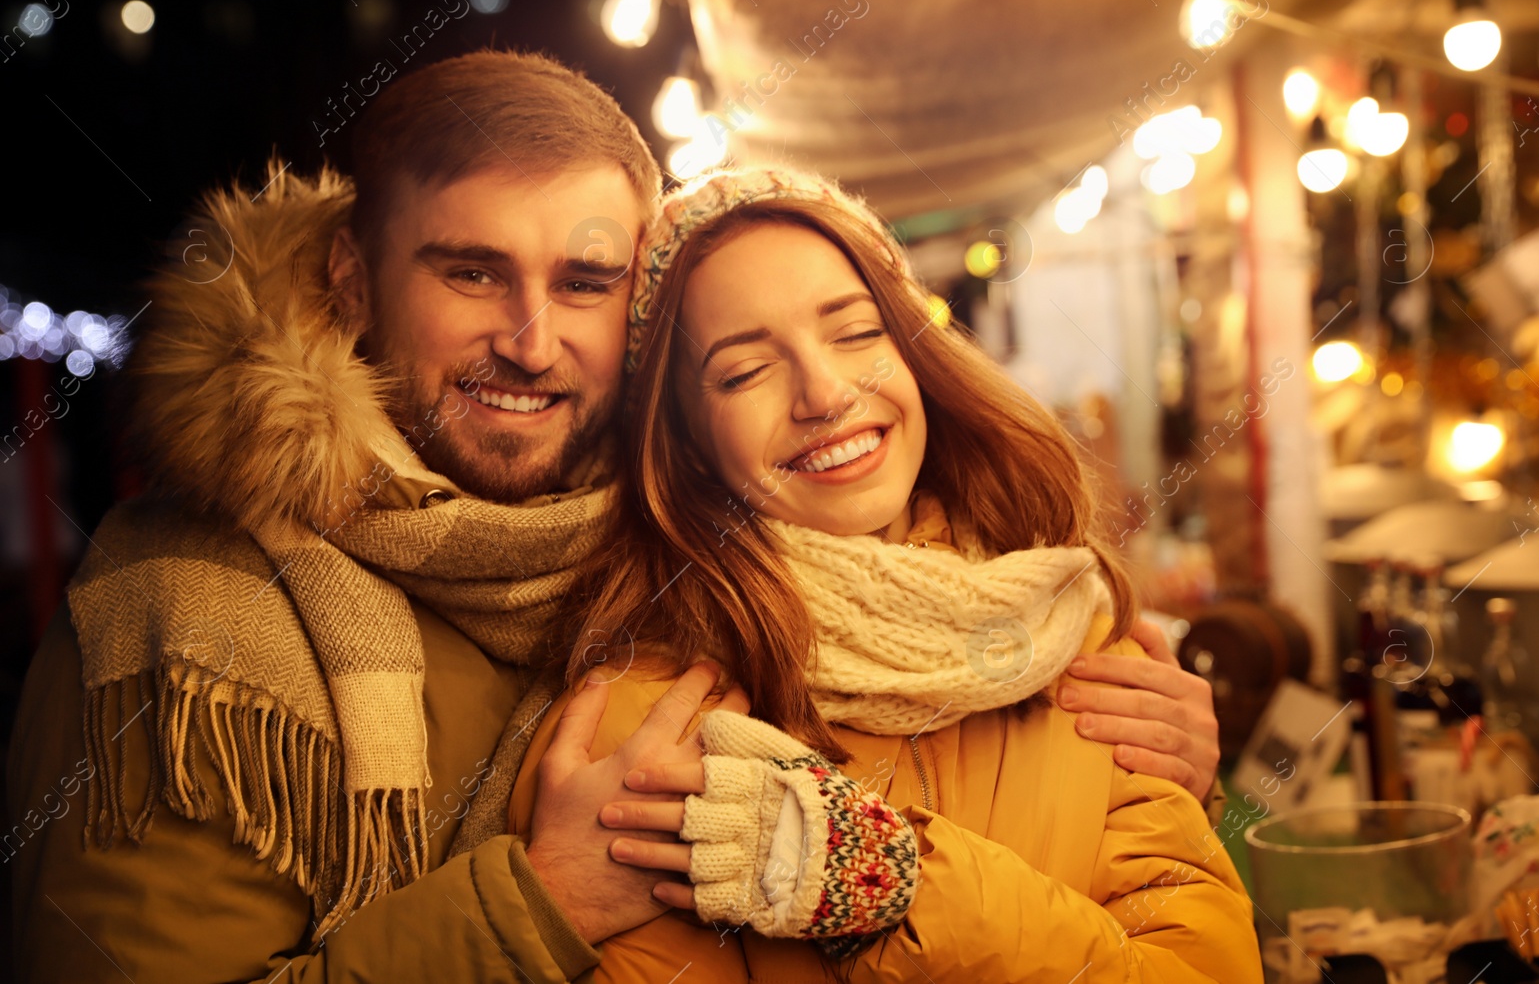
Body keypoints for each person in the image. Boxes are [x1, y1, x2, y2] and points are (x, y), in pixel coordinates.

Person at [7, 50, 1225, 982]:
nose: (531, 341)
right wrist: (533, 903)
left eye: (584, 282)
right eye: (471, 270)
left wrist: (1148, 756)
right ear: (352, 279)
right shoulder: (196, 615)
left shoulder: (645, 567)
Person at [505, 167, 1263, 981]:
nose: (827, 393)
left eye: (857, 332)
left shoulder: (1079, 640)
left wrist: (892, 882)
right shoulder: (642, 728)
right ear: (686, 440)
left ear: (912, 349)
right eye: (744, 371)